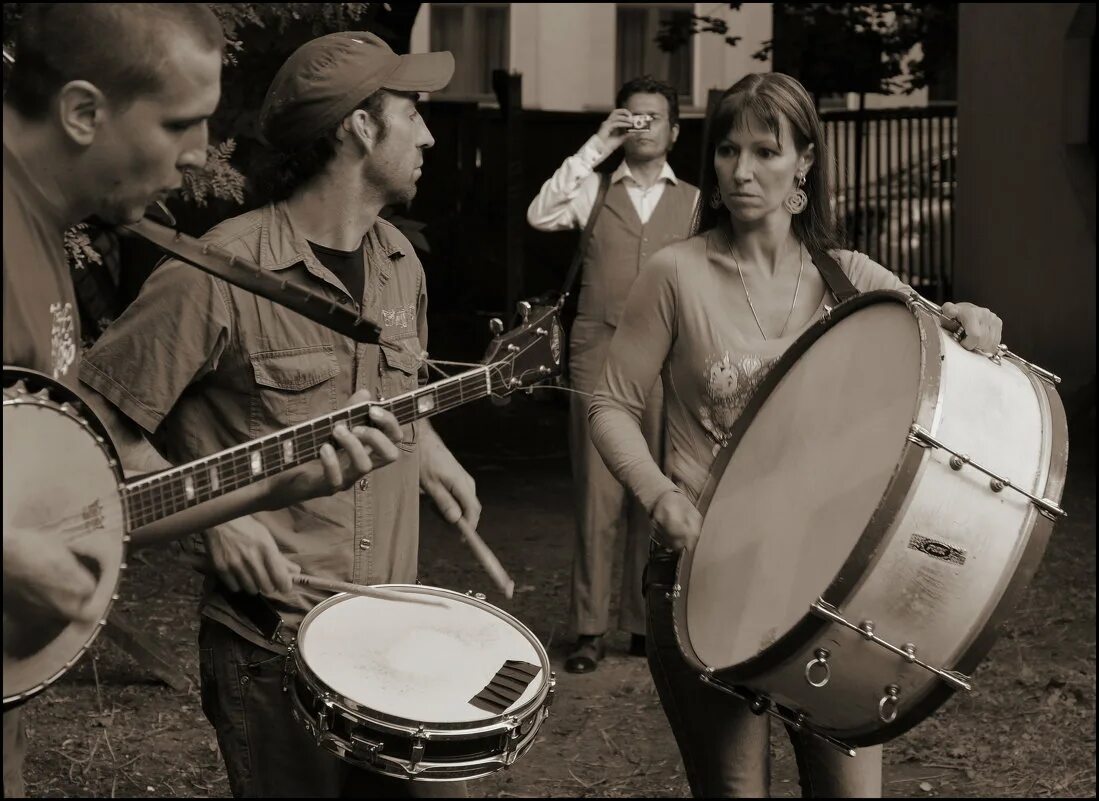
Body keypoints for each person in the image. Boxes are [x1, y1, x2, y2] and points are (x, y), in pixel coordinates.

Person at [2, 6, 404, 798]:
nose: (198, 157)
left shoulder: (47, 231)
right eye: (182, 123)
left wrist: (272, 487)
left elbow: (101, 507)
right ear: (83, 111)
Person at [79, 30, 479, 798]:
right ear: (358, 126)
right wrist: (216, 517)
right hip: (274, 647)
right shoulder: (217, 273)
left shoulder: (401, 264)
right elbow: (95, 421)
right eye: (412, 113)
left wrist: (428, 445)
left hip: (392, 637)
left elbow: (385, 394)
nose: (429, 133)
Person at [587, 72, 1004, 798]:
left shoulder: (848, 279)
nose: (741, 170)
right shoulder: (673, 274)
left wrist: (972, 315)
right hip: (703, 580)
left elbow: (941, 337)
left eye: (765, 151)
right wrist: (658, 496)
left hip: (831, 588)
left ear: (803, 161)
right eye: (726, 150)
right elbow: (609, 403)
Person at [527, 76, 699, 673]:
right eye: (634, 115)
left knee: (654, 487)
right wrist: (597, 144)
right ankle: (589, 627)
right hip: (596, 351)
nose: (645, 125)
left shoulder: (698, 202)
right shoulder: (594, 190)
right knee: (597, 493)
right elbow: (540, 211)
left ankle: (642, 622)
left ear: (675, 130)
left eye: (656, 116)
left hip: (667, 358)